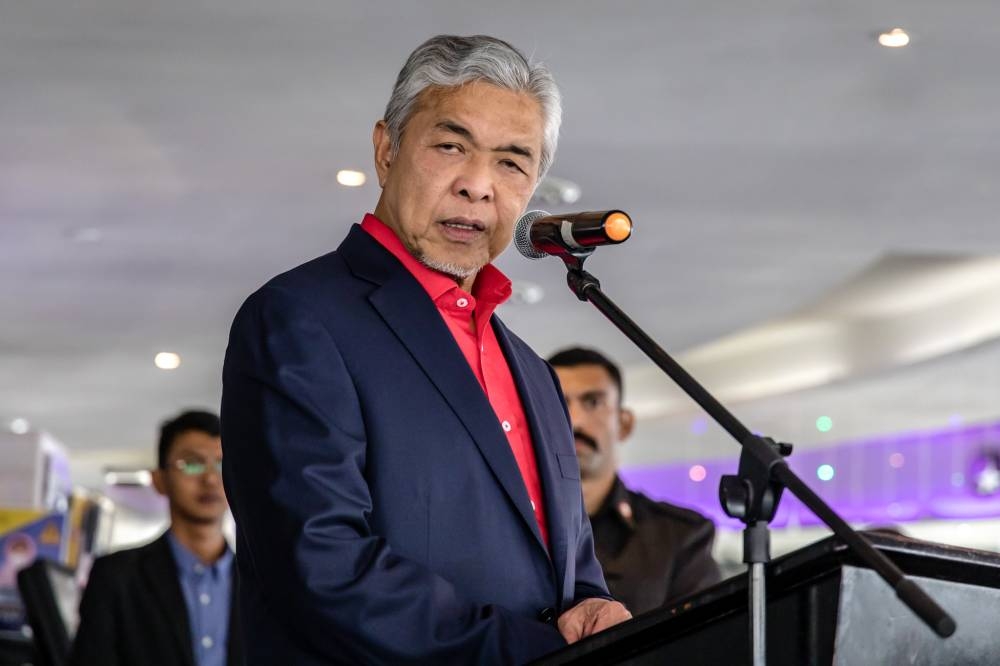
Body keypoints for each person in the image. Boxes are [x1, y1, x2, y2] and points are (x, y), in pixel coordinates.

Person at [220, 34, 630, 665]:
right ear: (387, 151)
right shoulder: (298, 319)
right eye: (450, 146)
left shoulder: (535, 374)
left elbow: (566, 571)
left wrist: (593, 609)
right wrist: (539, 650)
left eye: (512, 162)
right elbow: (322, 565)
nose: (477, 186)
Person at [548, 347, 722, 615]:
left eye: (593, 402)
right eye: (558, 403)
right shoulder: (506, 526)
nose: (575, 421)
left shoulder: (679, 536)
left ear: (624, 423)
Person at [70, 410, 241, 666]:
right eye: (192, 463)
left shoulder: (261, 581)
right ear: (159, 480)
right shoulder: (116, 576)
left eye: (221, 464)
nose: (210, 478)